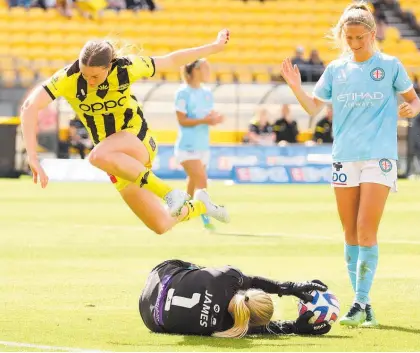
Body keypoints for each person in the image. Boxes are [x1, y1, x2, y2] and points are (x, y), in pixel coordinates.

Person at [280, 2, 420, 327]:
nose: (355, 43)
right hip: (344, 156)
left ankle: (360, 303)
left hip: (378, 157)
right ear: (343, 36)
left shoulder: (389, 65)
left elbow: (413, 99)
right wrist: (294, 86)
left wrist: (413, 108)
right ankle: (363, 304)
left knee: (365, 228)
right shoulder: (335, 70)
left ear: (372, 34)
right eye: (350, 37)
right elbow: (313, 108)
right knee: (349, 232)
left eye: (360, 37)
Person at [20, 30, 231, 235]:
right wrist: (32, 156)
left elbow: (171, 60)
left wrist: (214, 47)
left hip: (137, 139)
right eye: (85, 75)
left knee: (97, 156)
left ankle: (169, 193)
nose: (90, 81)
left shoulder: (127, 67)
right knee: (161, 224)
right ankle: (201, 205)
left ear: (109, 65)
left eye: (95, 76)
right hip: (114, 159)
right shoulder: (68, 78)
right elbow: (30, 107)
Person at [139, 259, 332, 337]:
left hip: (158, 276)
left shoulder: (229, 278)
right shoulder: (229, 327)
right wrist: (295, 328)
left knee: (202, 271)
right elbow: (265, 329)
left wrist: (289, 287)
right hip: (150, 319)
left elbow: (253, 280)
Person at [174, 59, 224, 231]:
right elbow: (182, 120)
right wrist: (205, 120)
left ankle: (180, 213)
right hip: (187, 146)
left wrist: (215, 118)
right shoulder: (183, 93)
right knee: (202, 180)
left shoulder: (207, 93)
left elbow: (208, 115)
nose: (209, 71)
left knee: (193, 183)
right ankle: (205, 218)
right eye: (206, 68)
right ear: (196, 70)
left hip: (203, 145)